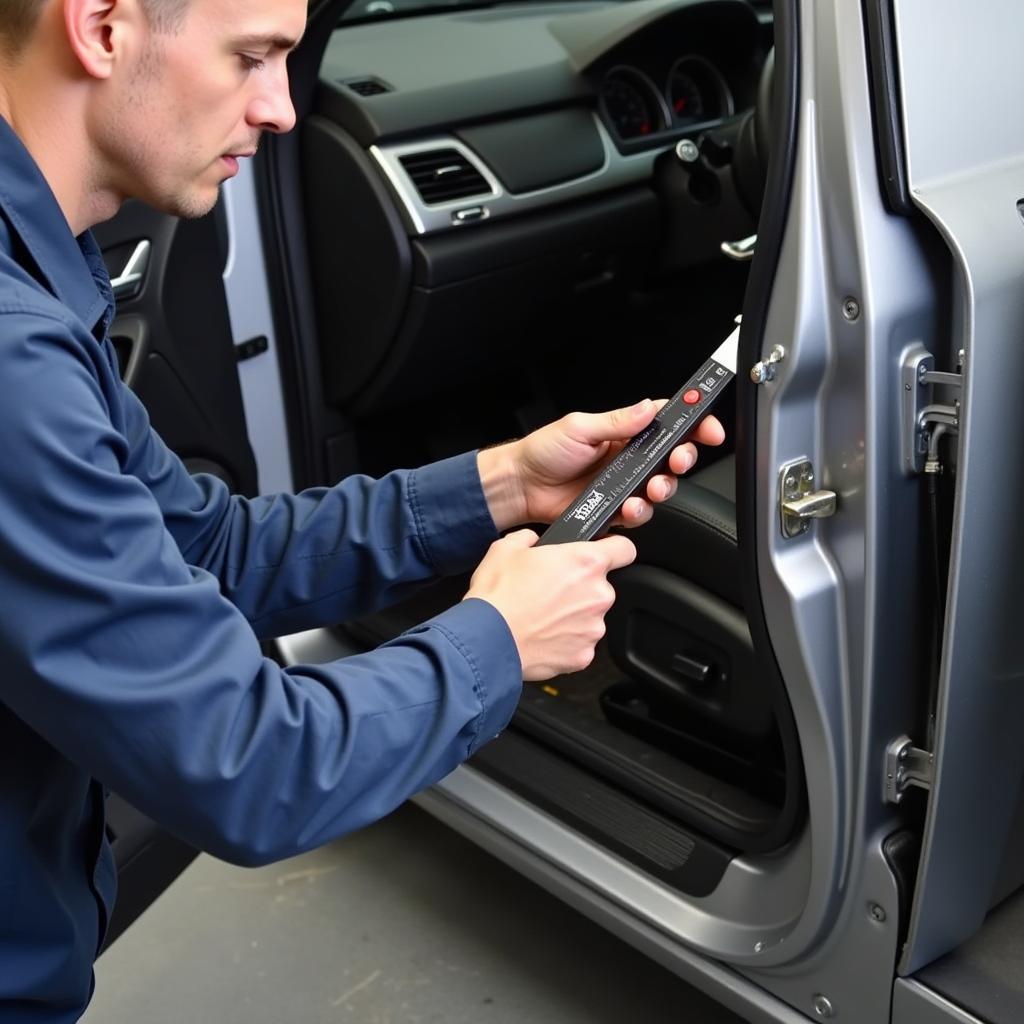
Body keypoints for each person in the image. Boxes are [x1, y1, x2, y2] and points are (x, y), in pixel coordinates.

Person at [0, 0, 725, 1019]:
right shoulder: (14, 363)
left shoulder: (36, 275)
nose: (283, 110)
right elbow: (248, 767)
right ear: (104, 24)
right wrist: (501, 638)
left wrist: (502, 483)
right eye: (253, 57)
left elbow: (206, 546)